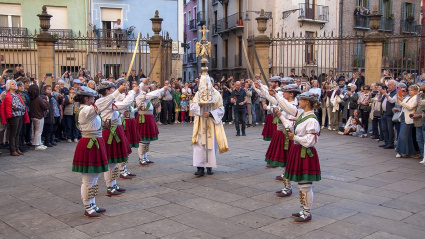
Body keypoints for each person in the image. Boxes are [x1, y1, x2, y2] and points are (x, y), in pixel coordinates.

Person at [72, 85, 125, 218]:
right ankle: (88, 206)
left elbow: (102, 107)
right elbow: (102, 104)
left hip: (94, 142)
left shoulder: (88, 110)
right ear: (86, 98)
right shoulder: (86, 111)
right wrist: (117, 92)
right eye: (92, 97)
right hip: (90, 144)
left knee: (94, 177)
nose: (94, 99)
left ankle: (92, 204)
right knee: (88, 179)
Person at [269, 90, 321, 223]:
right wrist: (280, 115)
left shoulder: (311, 120)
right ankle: (304, 210)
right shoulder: (303, 115)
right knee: (301, 185)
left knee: (305, 185)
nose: (299, 102)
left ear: (307, 102)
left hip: (305, 153)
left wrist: (295, 137)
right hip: (298, 150)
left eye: (301, 100)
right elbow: (289, 116)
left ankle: (307, 212)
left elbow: (311, 141)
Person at [256, 82, 300, 197]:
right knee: (284, 163)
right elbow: (272, 98)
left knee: (288, 163)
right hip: (282, 135)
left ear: (291, 94)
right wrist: (261, 87)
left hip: (288, 137)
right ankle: (287, 186)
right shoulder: (286, 102)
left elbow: (290, 123)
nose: (283, 93)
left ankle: (288, 187)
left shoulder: (294, 106)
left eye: (285, 92)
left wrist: (279, 113)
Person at [98, 81, 138, 195]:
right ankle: (110, 186)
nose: (114, 90)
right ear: (107, 91)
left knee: (114, 162)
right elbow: (124, 104)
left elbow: (121, 108)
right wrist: (132, 93)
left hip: (115, 129)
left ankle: (113, 184)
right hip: (111, 132)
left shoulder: (110, 101)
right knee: (111, 162)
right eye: (112, 88)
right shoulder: (104, 102)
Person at [190, 75, 229, 177]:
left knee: (211, 146)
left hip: (211, 124)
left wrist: (211, 114)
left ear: (212, 83)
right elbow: (192, 106)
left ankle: (209, 166)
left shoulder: (216, 95)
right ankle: (200, 168)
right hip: (200, 122)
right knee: (199, 146)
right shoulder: (198, 94)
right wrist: (200, 106)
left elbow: (221, 109)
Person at [136, 78, 168, 166]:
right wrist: (162, 89)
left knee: (148, 139)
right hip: (143, 118)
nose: (148, 86)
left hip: (148, 117)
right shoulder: (140, 94)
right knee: (143, 140)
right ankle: (141, 158)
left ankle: (145, 156)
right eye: (146, 84)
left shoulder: (146, 94)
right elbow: (151, 95)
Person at [0, 80, 29, 156]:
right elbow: (15, 106)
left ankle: (17, 148)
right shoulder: (7, 94)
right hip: (13, 115)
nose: (14, 85)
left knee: (18, 132)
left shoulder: (16, 94)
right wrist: (22, 107)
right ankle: (12, 149)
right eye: (13, 84)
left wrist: (22, 107)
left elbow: (21, 104)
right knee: (13, 133)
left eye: (15, 84)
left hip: (20, 114)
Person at [395, 85, 418, 158]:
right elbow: (400, 104)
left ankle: (400, 151)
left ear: (415, 91)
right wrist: (399, 98)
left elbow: (410, 107)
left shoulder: (416, 98)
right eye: (410, 90)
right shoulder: (408, 97)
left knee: (402, 135)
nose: (410, 91)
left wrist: (402, 101)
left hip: (408, 118)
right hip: (403, 116)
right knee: (407, 136)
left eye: (412, 90)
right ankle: (410, 152)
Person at [380, 80, 397, 149]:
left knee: (390, 129)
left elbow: (392, 100)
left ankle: (390, 143)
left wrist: (385, 94)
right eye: (388, 85)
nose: (388, 86)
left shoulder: (395, 93)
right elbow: (380, 100)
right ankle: (386, 142)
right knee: (384, 128)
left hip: (389, 113)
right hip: (384, 112)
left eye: (390, 85)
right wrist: (381, 94)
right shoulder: (388, 92)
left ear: (394, 86)